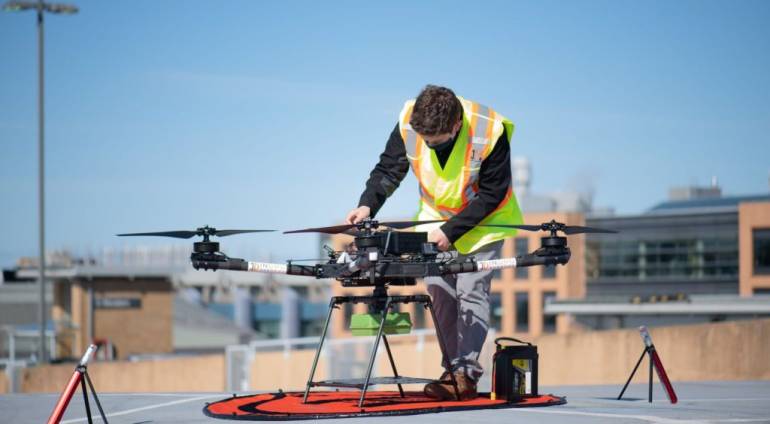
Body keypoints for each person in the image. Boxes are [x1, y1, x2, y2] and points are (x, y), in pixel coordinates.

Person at [345, 84, 523, 400]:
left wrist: (451, 232)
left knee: (470, 290)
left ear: (455, 125)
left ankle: (465, 374)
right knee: (440, 292)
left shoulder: (490, 130)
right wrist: (367, 205)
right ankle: (450, 371)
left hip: (485, 222)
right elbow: (389, 169)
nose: (428, 145)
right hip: (435, 220)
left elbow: (493, 194)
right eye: (425, 140)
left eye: (435, 142)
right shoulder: (409, 120)